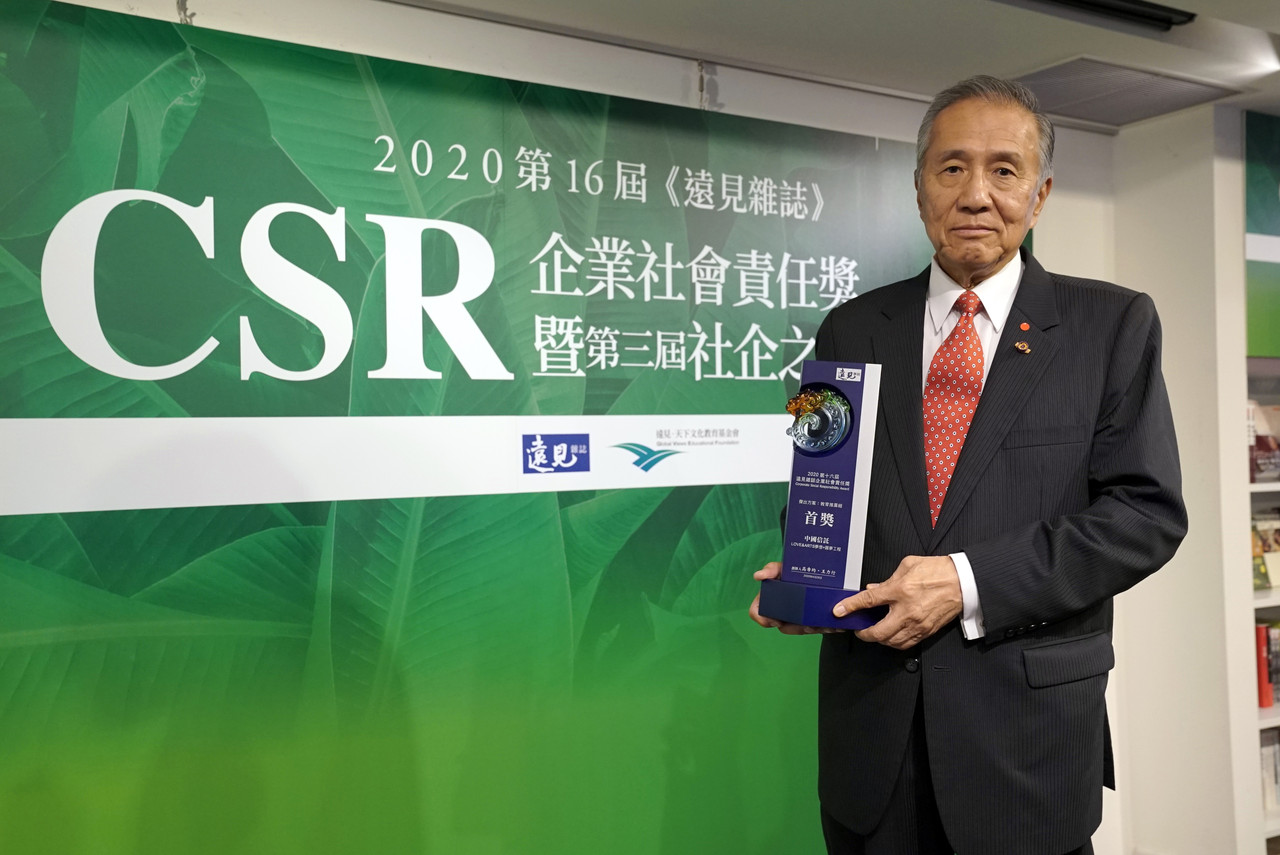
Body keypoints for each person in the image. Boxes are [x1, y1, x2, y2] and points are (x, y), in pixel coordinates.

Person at [749, 76, 1186, 855]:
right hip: (870, 749)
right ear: (920, 189)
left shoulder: (1112, 324)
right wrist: (809, 577)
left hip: (1026, 751)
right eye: (951, 168)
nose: (976, 193)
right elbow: (818, 487)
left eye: (1004, 170)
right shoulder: (848, 327)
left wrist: (967, 581)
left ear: (1040, 195)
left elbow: (1144, 516)